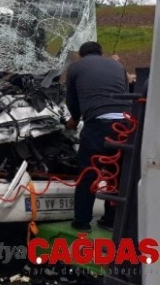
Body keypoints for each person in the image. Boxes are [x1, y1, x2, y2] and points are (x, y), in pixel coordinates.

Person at [65, 42, 132, 232]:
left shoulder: (75, 67)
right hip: (124, 126)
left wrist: (74, 120)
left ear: (80, 54)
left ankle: (82, 222)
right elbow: (125, 93)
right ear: (101, 53)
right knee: (115, 173)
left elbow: (72, 99)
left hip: (97, 125)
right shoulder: (118, 65)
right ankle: (110, 221)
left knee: (88, 174)